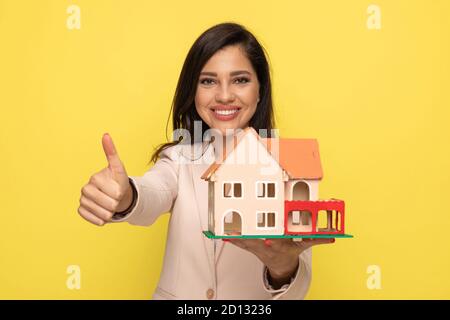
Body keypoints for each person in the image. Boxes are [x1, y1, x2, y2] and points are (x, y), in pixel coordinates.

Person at [77, 22, 334, 300]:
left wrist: (282, 268)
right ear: (194, 91)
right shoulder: (179, 160)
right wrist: (127, 194)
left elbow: (298, 286)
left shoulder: (288, 166)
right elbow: (154, 190)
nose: (224, 95)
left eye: (240, 80)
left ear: (260, 91)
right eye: (208, 81)